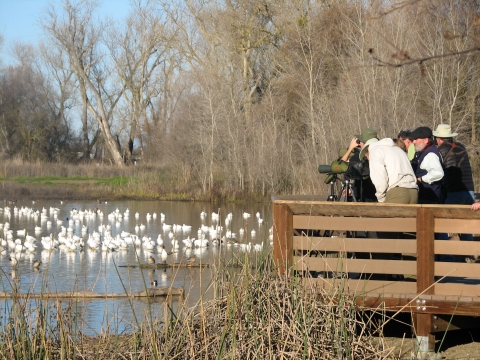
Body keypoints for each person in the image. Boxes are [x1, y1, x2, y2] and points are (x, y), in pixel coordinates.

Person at [434, 124, 475, 242]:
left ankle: (446, 255)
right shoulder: (461, 146)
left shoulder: (439, 150)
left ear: (439, 138)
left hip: (453, 191)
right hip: (469, 190)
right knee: (465, 225)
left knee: (443, 223)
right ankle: (468, 254)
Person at [359, 138, 418, 204]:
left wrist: (381, 198)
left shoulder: (375, 152)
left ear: (368, 152)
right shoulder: (398, 150)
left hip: (396, 193)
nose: (368, 160)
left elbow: (380, 179)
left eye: (367, 158)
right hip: (413, 192)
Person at [340, 128, 378, 202]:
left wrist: (350, 148)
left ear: (363, 143)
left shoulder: (358, 158)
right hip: (377, 197)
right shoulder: (381, 155)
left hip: (362, 197)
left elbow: (341, 165)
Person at [410, 126, 444, 204]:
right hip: (426, 197)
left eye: (416, 139)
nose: (414, 142)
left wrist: (421, 179)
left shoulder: (430, 154)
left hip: (429, 199)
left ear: (425, 140)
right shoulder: (423, 152)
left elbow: (438, 173)